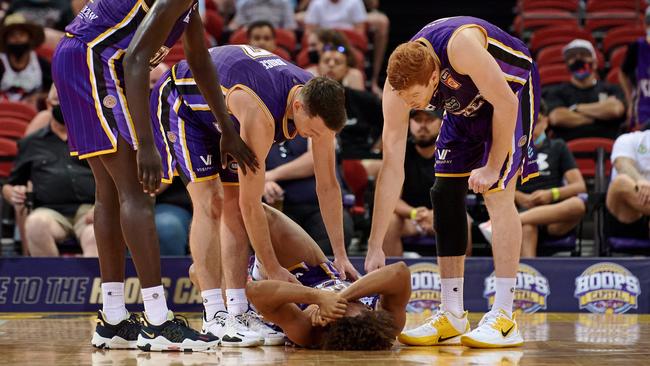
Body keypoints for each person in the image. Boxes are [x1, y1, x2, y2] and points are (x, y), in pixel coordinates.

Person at [52, 0, 257, 352]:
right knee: (135, 192)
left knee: (110, 193)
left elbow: (200, 59)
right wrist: (146, 145)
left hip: (79, 58)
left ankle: (114, 318)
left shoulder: (190, 5)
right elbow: (134, 61)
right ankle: (158, 321)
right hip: (94, 61)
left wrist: (226, 127)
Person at [151, 45, 354, 346]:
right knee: (212, 203)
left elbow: (327, 186)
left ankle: (238, 311)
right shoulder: (262, 116)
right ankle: (215, 313)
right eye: (311, 132)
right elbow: (251, 204)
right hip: (183, 104)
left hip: (226, 115)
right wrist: (271, 267)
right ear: (298, 107)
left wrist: (340, 253)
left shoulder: (319, 101)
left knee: (231, 204)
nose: (313, 137)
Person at [364, 16, 541, 348]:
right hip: (464, 109)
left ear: (435, 77)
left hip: (510, 94)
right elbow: (391, 167)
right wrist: (374, 245)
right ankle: (452, 313)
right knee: (444, 193)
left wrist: (491, 166)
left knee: (497, 192)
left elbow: (506, 102)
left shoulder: (460, 47)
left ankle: (504, 316)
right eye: (404, 99)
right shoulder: (397, 87)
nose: (409, 105)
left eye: (415, 98)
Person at [242, 203, 411, 350]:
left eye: (339, 308)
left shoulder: (307, 331)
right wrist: (337, 297)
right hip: (321, 272)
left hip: (281, 283)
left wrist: (317, 297)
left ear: (329, 323)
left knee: (254, 210)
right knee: (257, 210)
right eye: (350, 303)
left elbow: (255, 291)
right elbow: (399, 272)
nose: (345, 302)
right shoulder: (388, 325)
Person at [479, 103, 587, 257]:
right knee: (528, 227)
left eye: (536, 120)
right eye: (526, 119)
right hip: (520, 207)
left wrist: (551, 194)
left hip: (553, 212)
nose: (531, 125)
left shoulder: (558, 146)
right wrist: (519, 196)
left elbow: (579, 186)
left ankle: (498, 226)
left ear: (545, 122)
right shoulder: (508, 148)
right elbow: (491, 184)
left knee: (578, 204)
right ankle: (529, 276)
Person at [2, 86, 97, 257]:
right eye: (59, 102)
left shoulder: (92, 138)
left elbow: (112, 179)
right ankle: (53, 281)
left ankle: (91, 283)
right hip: (50, 211)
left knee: (96, 234)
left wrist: (102, 207)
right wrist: (14, 193)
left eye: (70, 103)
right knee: (36, 224)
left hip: (90, 210)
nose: (64, 107)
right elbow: (11, 185)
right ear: (48, 105)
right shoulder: (31, 143)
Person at [382, 109, 473, 257]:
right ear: (410, 123)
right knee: (389, 222)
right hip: (411, 217)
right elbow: (392, 199)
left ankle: (461, 277)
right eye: (418, 120)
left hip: (444, 214)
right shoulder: (399, 152)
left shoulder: (452, 151)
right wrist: (415, 213)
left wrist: (437, 215)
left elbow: (457, 194)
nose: (422, 125)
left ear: (441, 123)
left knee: (464, 221)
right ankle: (392, 276)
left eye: (429, 120)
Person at [265, 136, 354, 255]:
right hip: (280, 207)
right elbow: (247, 164)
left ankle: (322, 268)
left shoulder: (314, 121)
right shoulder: (261, 125)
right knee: (266, 233)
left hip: (320, 206)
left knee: (340, 229)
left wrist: (269, 176)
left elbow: (317, 159)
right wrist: (262, 183)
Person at [545, 39, 626, 141]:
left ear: (595, 63)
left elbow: (615, 110)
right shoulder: (556, 92)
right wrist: (601, 117)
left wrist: (575, 108)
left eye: (584, 55)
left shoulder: (611, 88)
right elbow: (557, 118)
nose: (578, 59)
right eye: (572, 57)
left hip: (609, 149)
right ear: (567, 66)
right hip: (567, 150)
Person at [0, 14, 51, 105]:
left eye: (22, 34)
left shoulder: (41, 63)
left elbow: (56, 88)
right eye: (12, 35)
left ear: (30, 38)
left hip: (31, 112)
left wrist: (39, 96)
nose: (17, 39)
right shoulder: (1, 62)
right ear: (5, 40)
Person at [606, 129, 650, 224]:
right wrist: (640, 180)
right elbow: (622, 164)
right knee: (622, 182)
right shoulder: (628, 139)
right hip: (629, 212)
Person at [619, 8, 650, 130]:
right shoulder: (637, 47)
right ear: (645, 24)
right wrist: (630, 100)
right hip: (642, 110)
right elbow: (622, 73)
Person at [229, 0, 296, 30]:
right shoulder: (246, 4)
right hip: (250, 40)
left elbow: (290, 28)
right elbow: (235, 25)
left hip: (274, 41)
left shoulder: (284, 4)